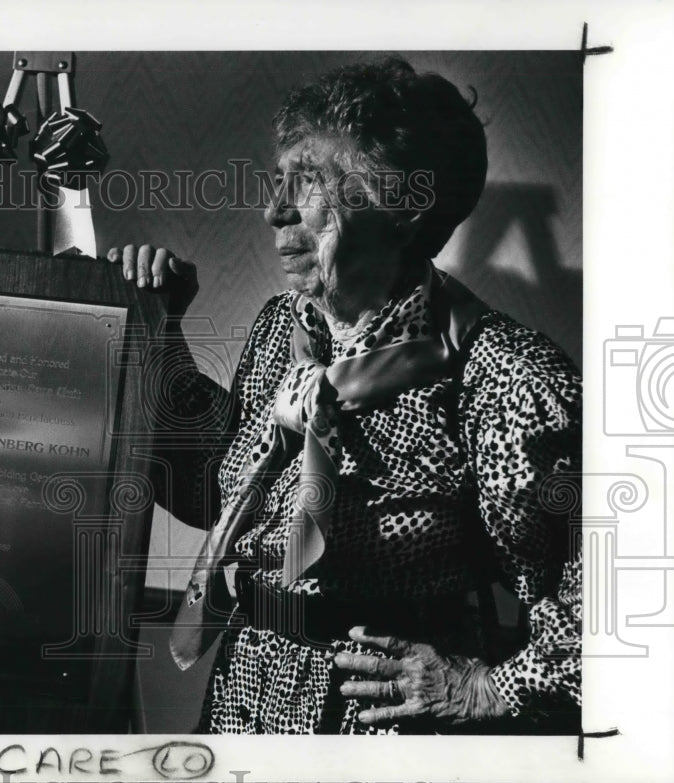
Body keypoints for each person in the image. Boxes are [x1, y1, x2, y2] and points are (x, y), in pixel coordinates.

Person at [107, 57, 581, 735]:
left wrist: (482, 687)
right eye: (279, 181)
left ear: (403, 206)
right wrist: (161, 331)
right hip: (245, 702)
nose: (273, 210)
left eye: (308, 183)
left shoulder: (506, 377)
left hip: (376, 731)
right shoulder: (283, 329)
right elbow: (213, 494)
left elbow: (622, 600)